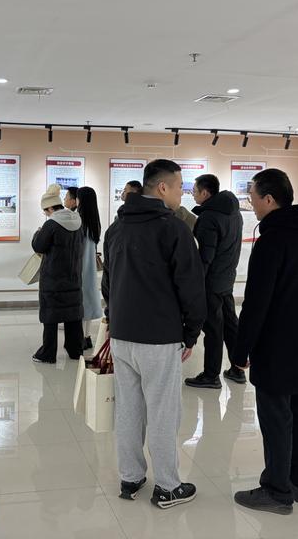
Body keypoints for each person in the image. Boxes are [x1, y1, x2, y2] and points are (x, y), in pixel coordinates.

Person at [102, 159, 206, 509]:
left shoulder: (116, 228)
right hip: (159, 337)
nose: (182, 194)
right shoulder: (173, 229)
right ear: (163, 187)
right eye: (179, 187)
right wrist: (191, 332)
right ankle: (167, 486)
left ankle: (130, 476)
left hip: (122, 335)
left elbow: (107, 284)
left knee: (128, 409)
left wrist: (113, 319)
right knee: (163, 411)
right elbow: (191, 286)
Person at [231, 169, 298, 515]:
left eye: (253, 198)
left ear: (269, 199)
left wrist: (241, 350)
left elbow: (257, 303)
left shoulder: (271, 240)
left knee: (276, 419)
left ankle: (276, 490)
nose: (252, 205)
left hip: (277, 347)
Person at [185, 174, 245, 388]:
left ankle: (211, 375)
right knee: (230, 325)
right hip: (227, 279)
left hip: (211, 282)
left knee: (213, 329)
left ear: (205, 192)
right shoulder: (235, 213)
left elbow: (205, 257)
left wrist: (195, 285)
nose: (192, 194)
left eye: (194, 191)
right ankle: (238, 368)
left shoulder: (209, 218)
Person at [31, 184, 85, 363]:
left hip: (53, 279)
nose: (46, 214)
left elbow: (39, 246)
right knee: (73, 316)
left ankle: (48, 353)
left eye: (45, 211)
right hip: (74, 277)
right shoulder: (77, 221)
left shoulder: (51, 224)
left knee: (51, 316)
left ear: (50, 208)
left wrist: (37, 233)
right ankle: (75, 349)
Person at [77, 186, 103, 350]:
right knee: (88, 300)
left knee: (80, 302)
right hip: (90, 268)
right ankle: (86, 337)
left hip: (79, 266)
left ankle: (80, 337)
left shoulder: (78, 221)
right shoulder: (94, 223)